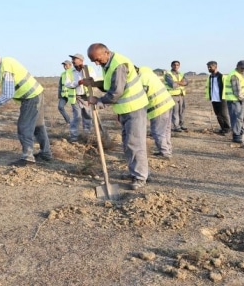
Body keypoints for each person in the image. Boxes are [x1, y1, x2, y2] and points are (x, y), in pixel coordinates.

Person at [85, 43, 149, 190]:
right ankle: (137, 173)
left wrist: (99, 100)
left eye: (97, 59)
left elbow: (116, 92)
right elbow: (110, 84)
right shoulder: (108, 63)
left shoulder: (118, 64)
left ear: (106, 52)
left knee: (134, 144)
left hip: (135, 108)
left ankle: (140, 177)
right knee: (128, 143)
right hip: (126, 109)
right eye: (93, 61)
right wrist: (94, 83)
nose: (96, 63)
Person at [0, 49, 51, 165]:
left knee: (24, 126)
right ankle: (45, 154)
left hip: (31, 97)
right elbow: (9, 79)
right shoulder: (6, 63)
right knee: (38, 126)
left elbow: (8, 94)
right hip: (36, 93)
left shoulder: (5, 67)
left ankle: (27, 158)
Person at [136, 66, 175, 160]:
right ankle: (167, 150)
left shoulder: (141, 79)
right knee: (166, 130)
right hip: (168, 103)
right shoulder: (148, 73)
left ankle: (165, 153)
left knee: (157, 132)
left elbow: (141, 96)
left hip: (158, 107)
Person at [64, 53, 97, 142]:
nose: (73, 61)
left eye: (75, 59)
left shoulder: (88, 69)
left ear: (81, 60)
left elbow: (93, 81)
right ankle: (74, 137)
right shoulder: (69, 71)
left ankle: (87, 136)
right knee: (77, 116)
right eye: (72, 59)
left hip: (87, 97)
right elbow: (67, 84)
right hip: (76, 97)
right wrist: (79, 82)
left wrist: (84, 73)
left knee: (87, 116)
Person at [223, 60, 244, 146]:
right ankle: (236, 136)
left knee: (242, 117)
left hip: (239, 100)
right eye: (242, 68)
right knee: (237, 118)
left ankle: (241, 134)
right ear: (237, 66)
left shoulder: (239, 75)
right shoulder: (234, 75)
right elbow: (237, 92)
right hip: (234, 100)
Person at [205, 61, 231, 135]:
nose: (209, 68)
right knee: (218, 115)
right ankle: (223, 128)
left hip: (222, 98)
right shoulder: (210, 77)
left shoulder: (222, 76)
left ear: (215, 67)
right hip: (214, 98)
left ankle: (227, 129)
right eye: (208, 67)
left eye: (210, 67)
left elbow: (231, 82)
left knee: (224, 114)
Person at [165, 61, 188, 132]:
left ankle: (181, 125)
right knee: (175, 111)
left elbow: (186, 83)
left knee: (182, 110)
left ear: (179, 66)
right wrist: (181, 82)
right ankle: (176, 126)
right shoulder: (168, 74)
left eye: (177, 65)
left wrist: (177, 82)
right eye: (174, 65)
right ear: (171, 65)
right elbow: (172, 84)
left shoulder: (181, 74)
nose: (176, 66)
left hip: (181, 95)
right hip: (173, 95)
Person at [57, 60, 75, 125]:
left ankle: (77, 122)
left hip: (72, 95)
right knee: (60, 107)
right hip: (64, 95)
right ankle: (68, 121)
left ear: (70, 65)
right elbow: (60, 85)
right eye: (64, 65)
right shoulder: (63, 74)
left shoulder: (74, 72)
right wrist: (59, 94)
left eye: (66, 65)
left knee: (75, 109)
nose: (64, 66)